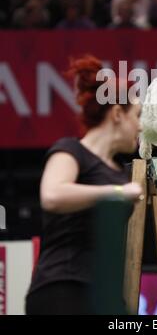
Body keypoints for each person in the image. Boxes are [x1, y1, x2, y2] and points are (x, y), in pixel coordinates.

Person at [25, 55, 143, 315]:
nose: (141, 125)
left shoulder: (118, 173)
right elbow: (53, 195)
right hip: (63, 289)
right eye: (137, 115)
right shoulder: (69, 151)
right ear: (116, 114)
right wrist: (117, 192)